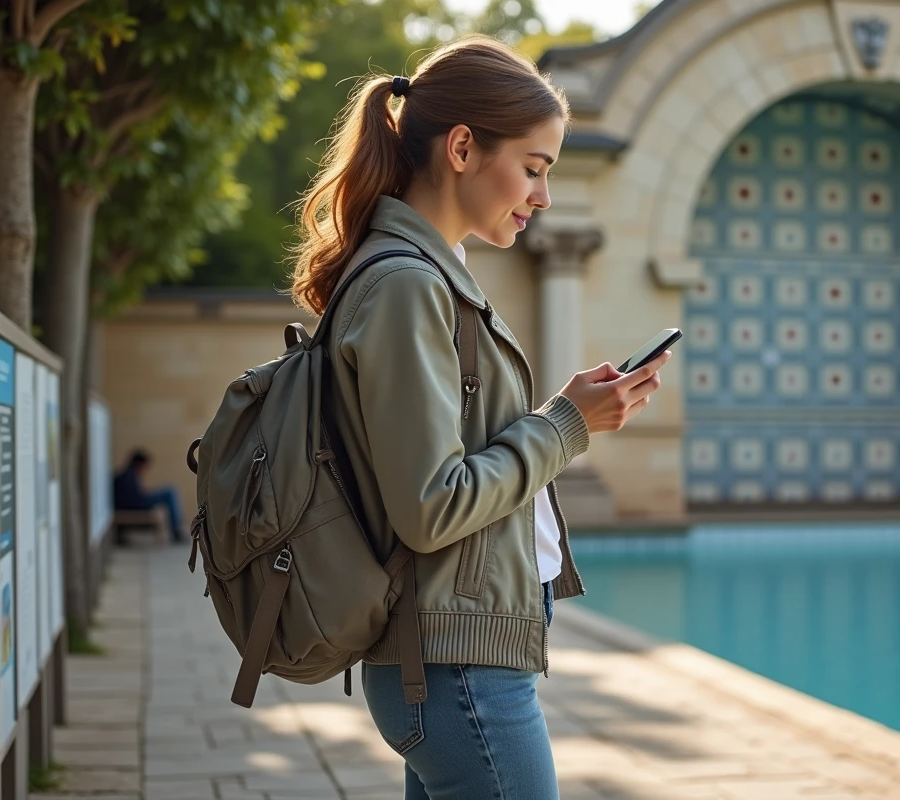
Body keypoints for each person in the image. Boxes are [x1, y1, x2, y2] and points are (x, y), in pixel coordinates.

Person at [287, 36, 671, 800]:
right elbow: (432, 505)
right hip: (457, 666)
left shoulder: (431, 275)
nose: (544, 197)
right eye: (533, 169)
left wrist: (566, 414)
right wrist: (566, 424)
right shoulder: (407, 285)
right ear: (463, 148)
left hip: (457, 657)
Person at [112, 449, 184, 543]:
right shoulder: (128, 476)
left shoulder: (127, 475)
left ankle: (177, 529)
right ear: (139, 464)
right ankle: (176, 530)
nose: (146, 470)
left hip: (134, 503)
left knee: (168, 491)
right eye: (145, 467)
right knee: (169, 492)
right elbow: (134, 499)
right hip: (136, 505)